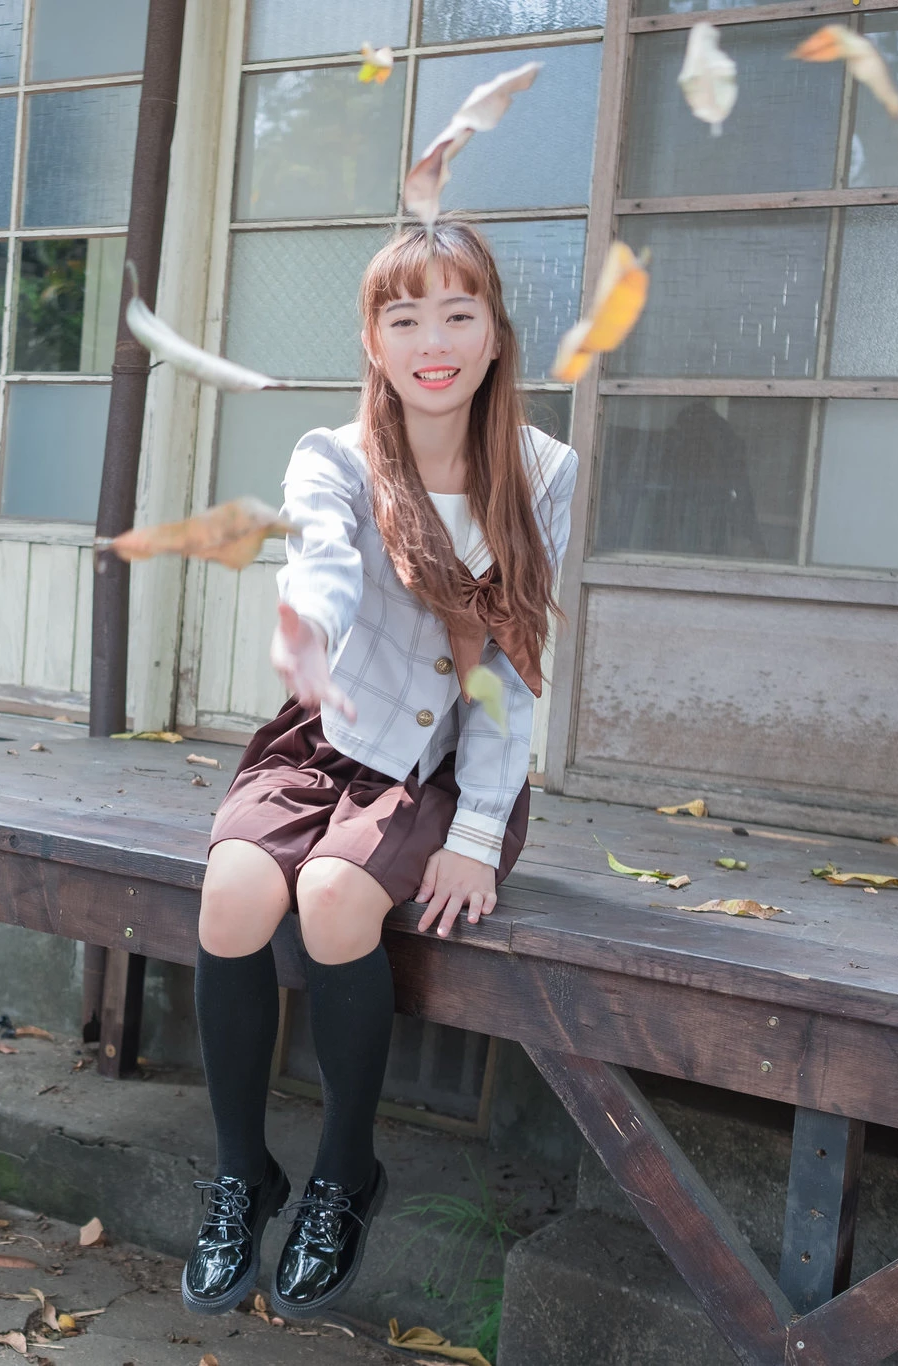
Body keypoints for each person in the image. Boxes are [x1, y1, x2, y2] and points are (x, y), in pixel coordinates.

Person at [181, 221, 577, 1316]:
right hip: (326, 739)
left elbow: (509, 668)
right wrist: (304, 630)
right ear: (373, 340)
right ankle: (239, 1173)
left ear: (494, 335)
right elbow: (321, 560)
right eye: (404, 319)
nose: (431, 342)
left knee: (332, 899)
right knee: (231, 891)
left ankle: (342, 1173)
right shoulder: (336, 454)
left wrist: (477, 833)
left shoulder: (541, 471)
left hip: (442, 764)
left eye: (456, 314)